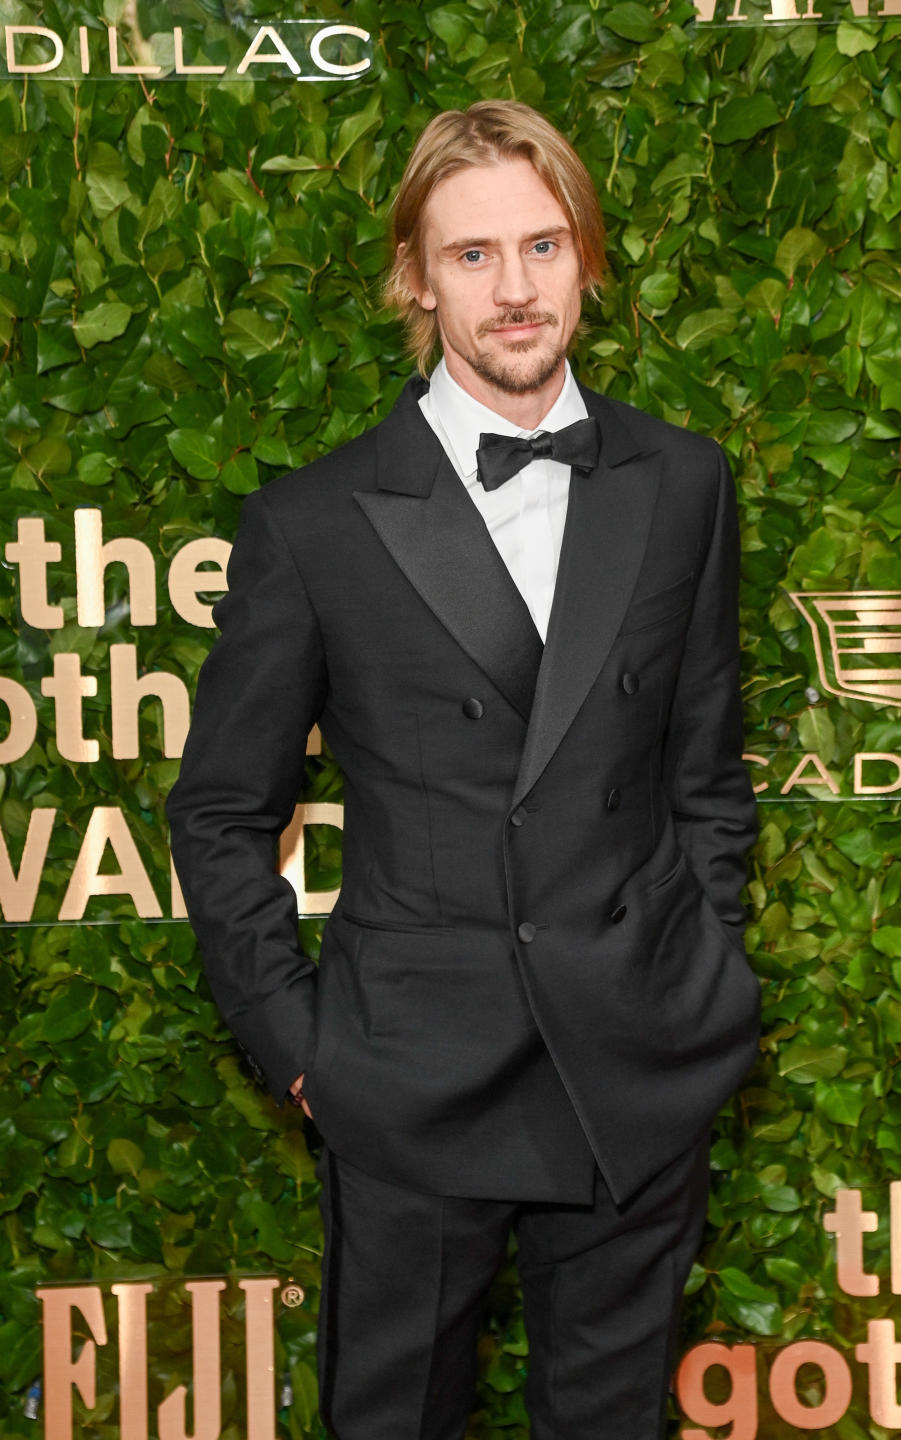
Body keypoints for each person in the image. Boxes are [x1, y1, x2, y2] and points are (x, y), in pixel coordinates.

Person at [166, 99, 761, 1440]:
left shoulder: (682, 485)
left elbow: (705, 771)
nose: (514, 290)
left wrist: (703, 961)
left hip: (635, 1051)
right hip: (410, 1075)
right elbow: (218, 810)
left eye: (543, 247)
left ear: (588, 260)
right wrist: (303, 1049)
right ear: (415, 278)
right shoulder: (315, 520)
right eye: (474, 255)